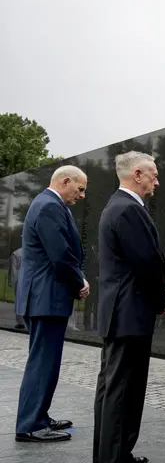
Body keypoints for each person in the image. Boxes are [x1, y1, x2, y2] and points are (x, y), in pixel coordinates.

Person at [93, 151, 165, 463]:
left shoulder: (117, 206)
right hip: (129, 314)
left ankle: (112, 455)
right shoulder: (128, 209)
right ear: (137, 175)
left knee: (113, 389)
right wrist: (160, 297)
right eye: (153, 174)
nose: (157, 180)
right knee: (122, 390)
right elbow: (147, 263)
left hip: (121, 313)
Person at [14, 165, 90, 443]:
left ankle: (39, 416)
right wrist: (79, 282)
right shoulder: (49, 206)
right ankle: (30, 424)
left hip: (45, 297)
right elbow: (60, 255)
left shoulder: (49, 204)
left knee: (47, 361)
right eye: (79, 189)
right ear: (65, 181)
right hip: (45, 298)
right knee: (43, 363)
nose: (81, 195)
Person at [9, 247, 26, 330]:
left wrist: (11, 282)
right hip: (31, 277)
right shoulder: (33, 251)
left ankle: (20, 322)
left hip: (19, 279)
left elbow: (13, 269)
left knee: (19, 300)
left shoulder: (16, 253)